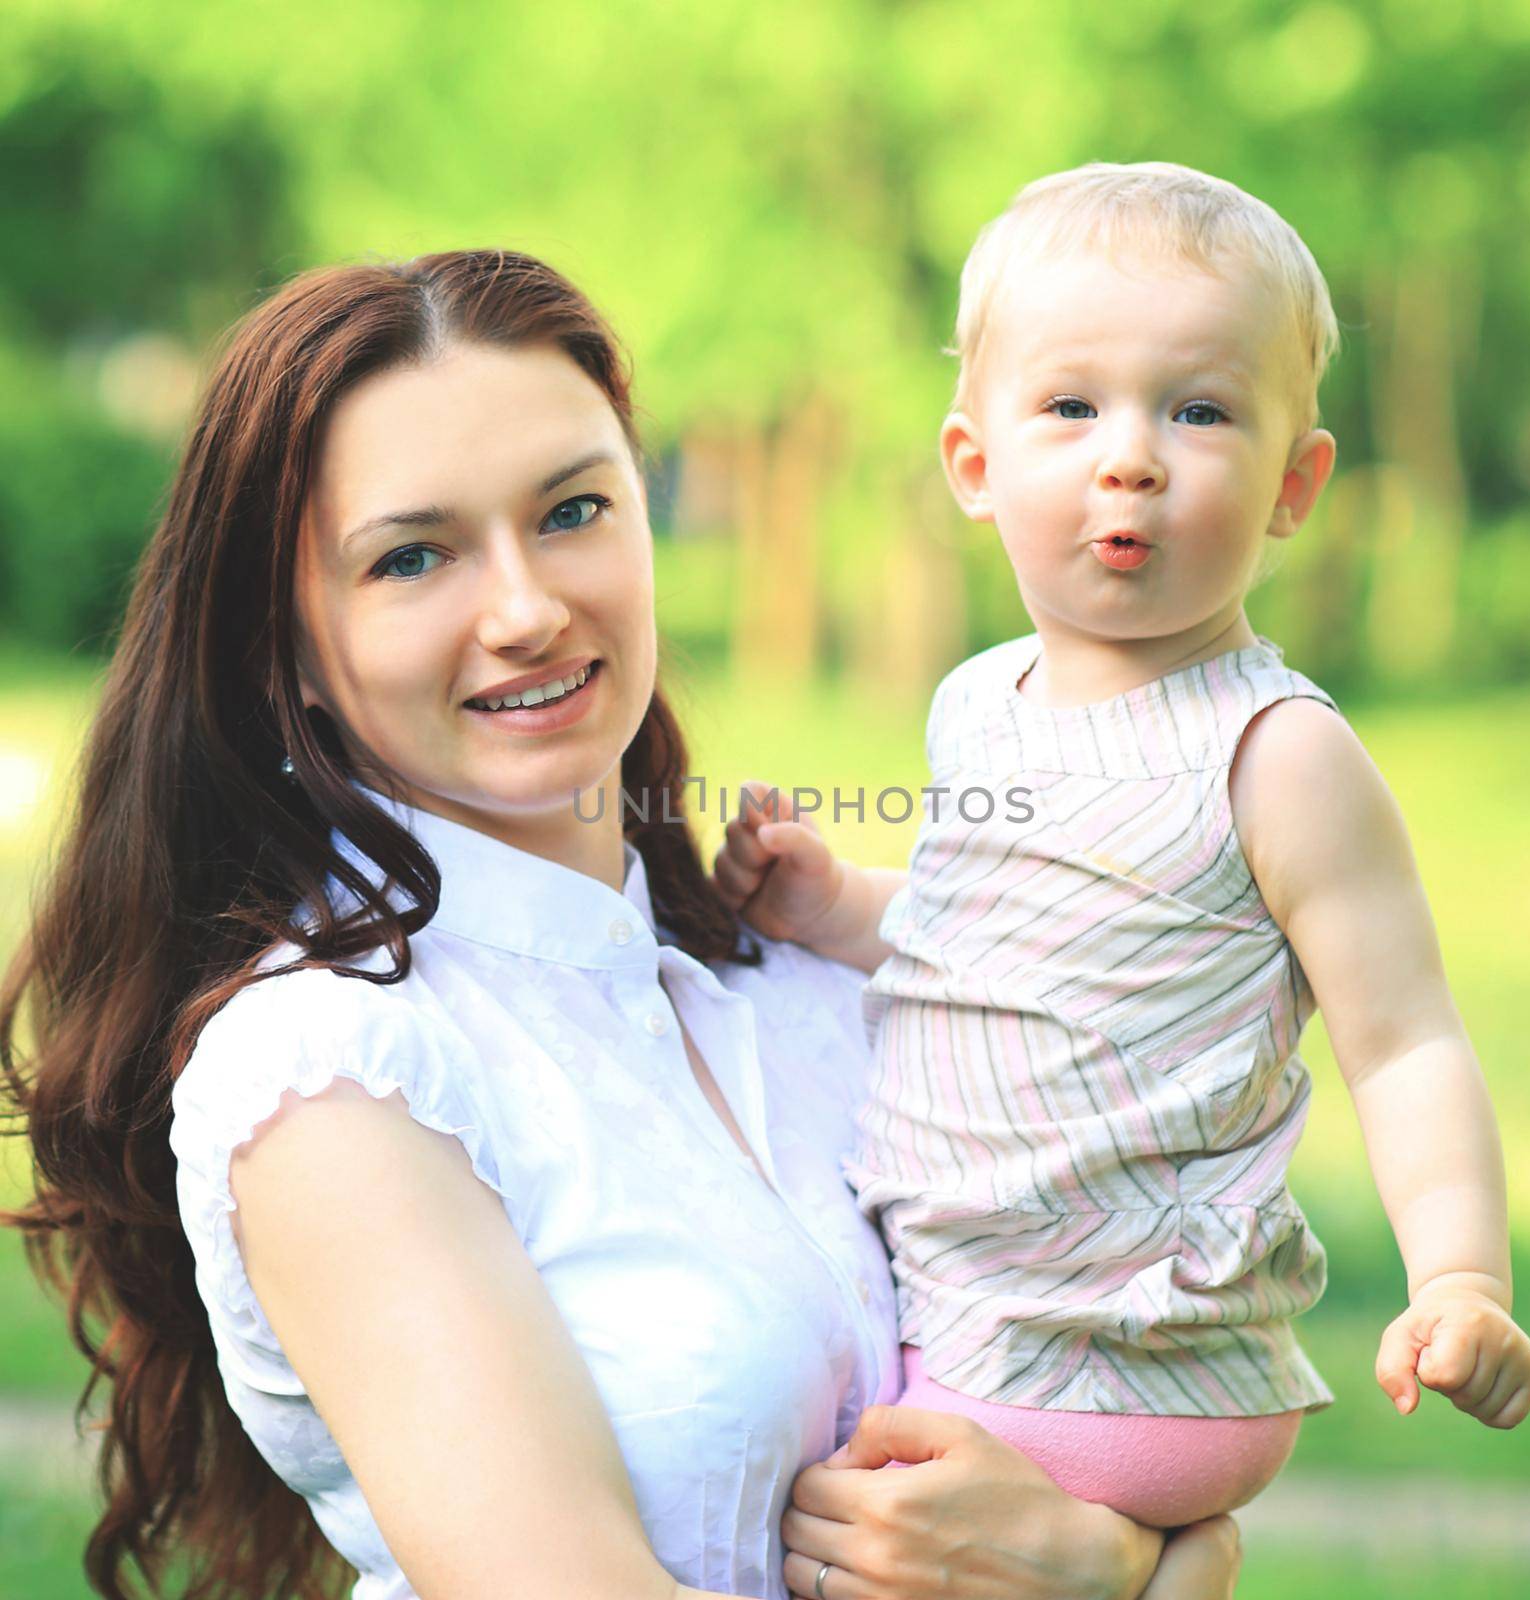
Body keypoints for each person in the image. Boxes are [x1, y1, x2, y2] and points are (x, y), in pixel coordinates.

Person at [0, 249, 1242, 1600]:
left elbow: (1151, 1389)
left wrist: (1107, 1555)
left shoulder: (803, 980)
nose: (529, 611)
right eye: (413, 557)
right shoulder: (337, 1074)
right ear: (286, 649)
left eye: (574, 509)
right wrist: (1135, 1581)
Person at [714, 162, 1530, 1532]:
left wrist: (1463, 1278)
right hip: (969, 1317)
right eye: (1072, 406)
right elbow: (992, 933)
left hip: (1129, 1360)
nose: (1131, 454)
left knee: (802, 1525)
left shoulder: (1278, 754)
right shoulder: (980, 700)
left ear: (1295, 483)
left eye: (1200, 411)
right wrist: (835, 902)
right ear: (974, 468)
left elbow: (1403, 1038)